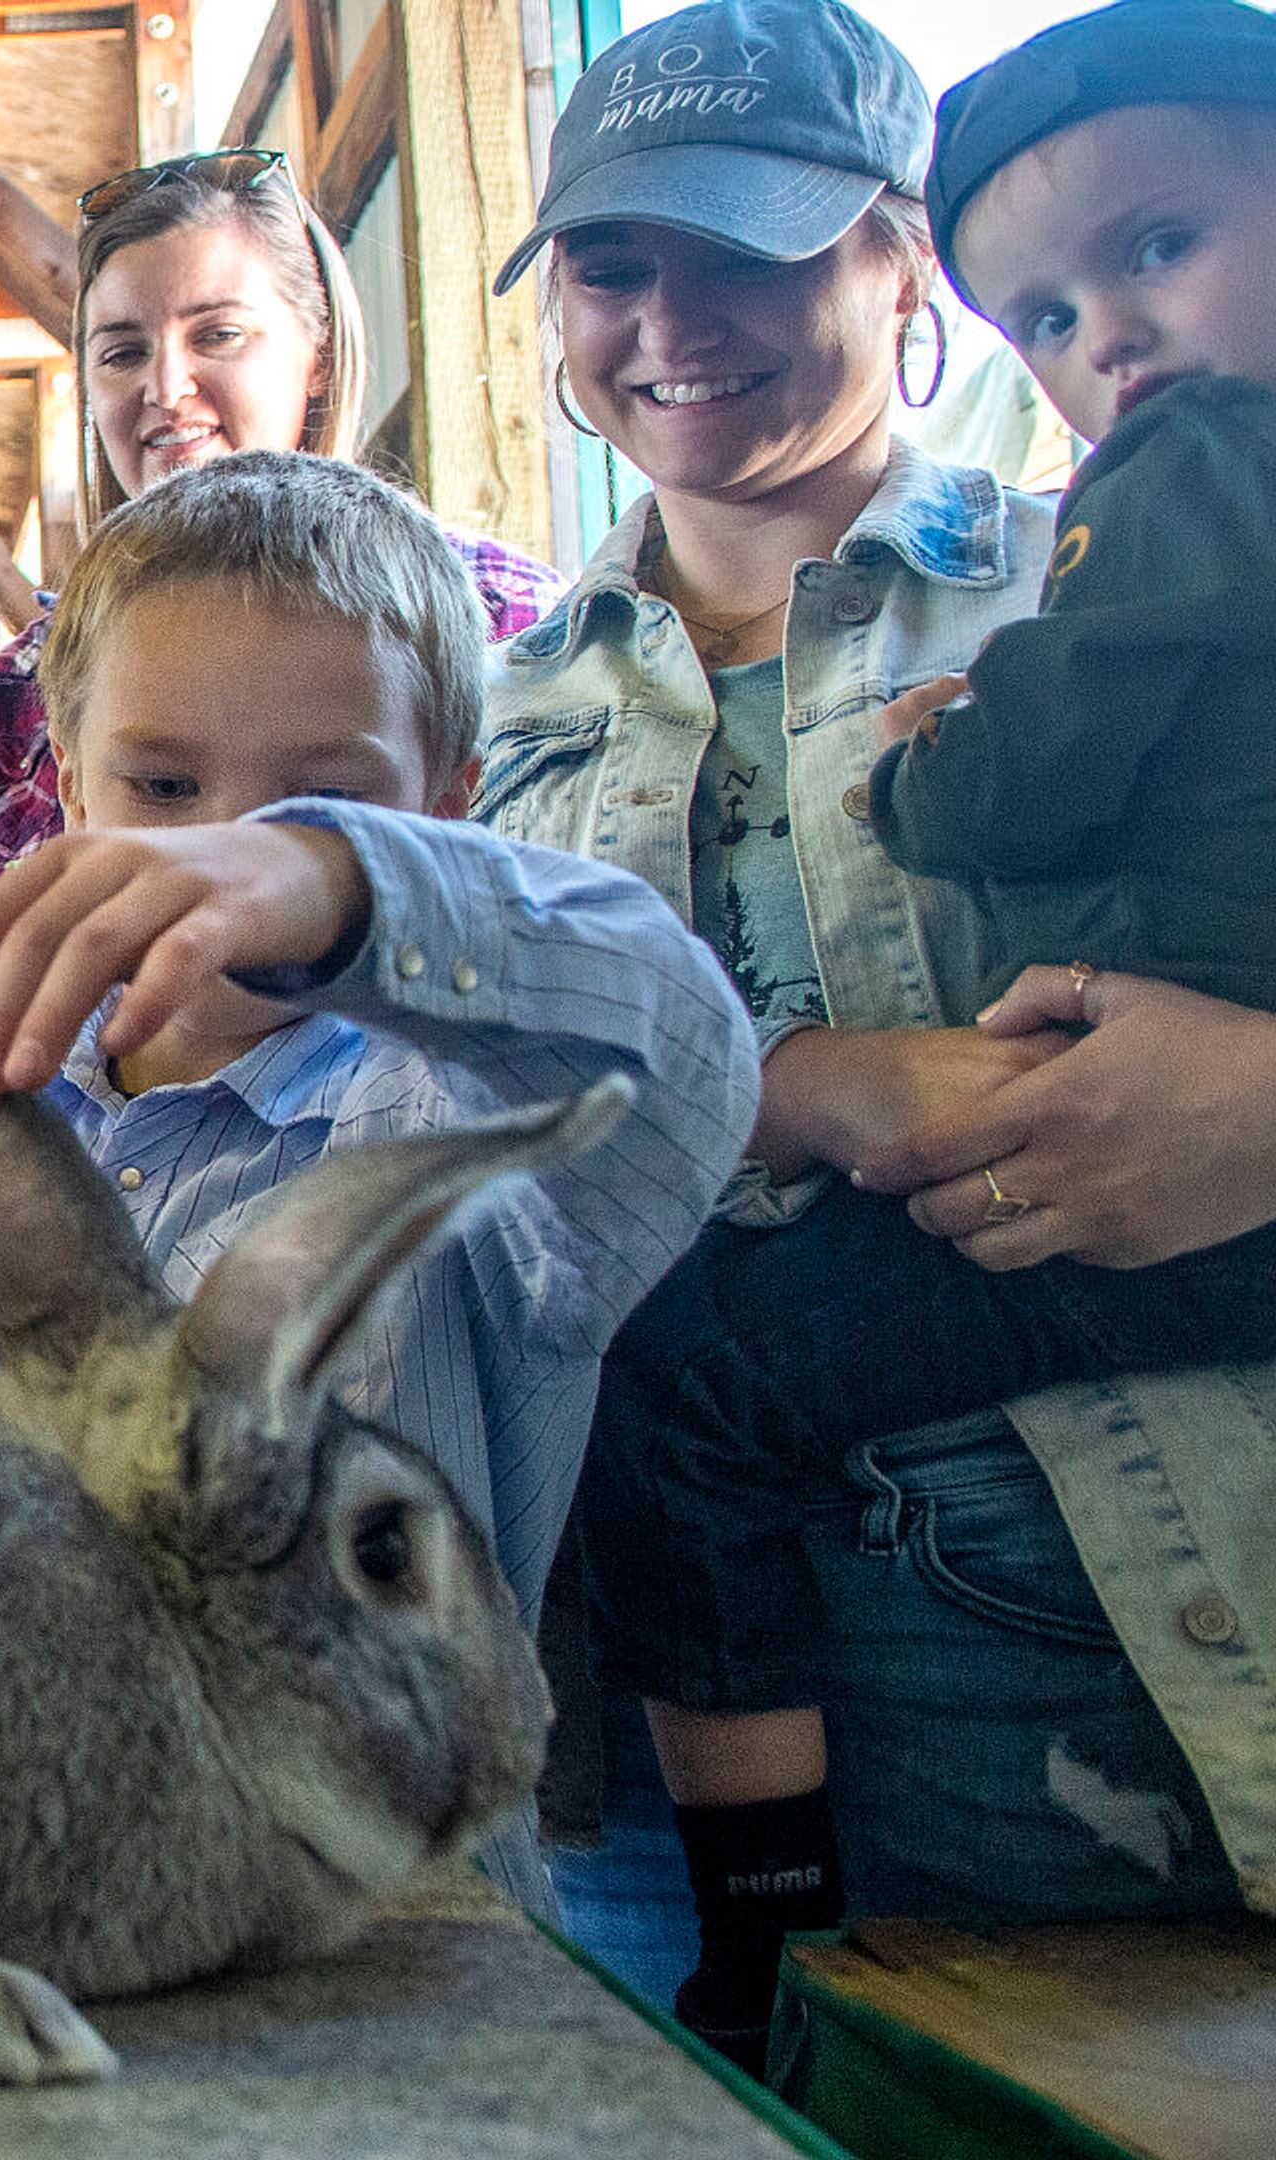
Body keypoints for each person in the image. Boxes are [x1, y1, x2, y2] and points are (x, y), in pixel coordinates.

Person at [480, 0, 1265, 2072]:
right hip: (638, 1750)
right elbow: (424, 1149)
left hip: (1149, 1678)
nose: (673, 320)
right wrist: (784, 1082)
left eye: (750, 247)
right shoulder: (477, 724)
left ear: (904, 266)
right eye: (610, 261)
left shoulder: (1108, 588)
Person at [0, 454, 753, 1915]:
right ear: (62, 780)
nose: (226, 845)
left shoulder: (467, 1145)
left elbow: (685, 1046)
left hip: (385, 1960)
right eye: (164, 784)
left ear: (449, 804)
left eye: (322, 799)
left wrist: (339, 889)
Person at [0, 146, 565, 986]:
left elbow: (566, 958)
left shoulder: (511, 625)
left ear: (316, 353)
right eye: (121, 352)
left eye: (217, 334)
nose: (166, 386)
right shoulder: (23, 684)